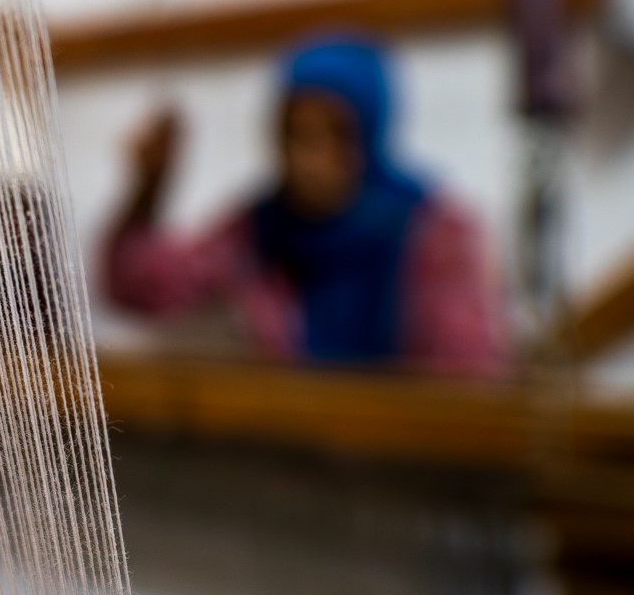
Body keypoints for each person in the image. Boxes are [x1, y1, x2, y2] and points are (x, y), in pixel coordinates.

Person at [101, 36, 507, 374]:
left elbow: (468, 385)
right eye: (292, 134)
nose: (305, 159)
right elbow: (138, 286)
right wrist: (149, 187)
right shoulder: (260, 226)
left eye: (334, 136)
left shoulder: (434, 233)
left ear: (371, 134)